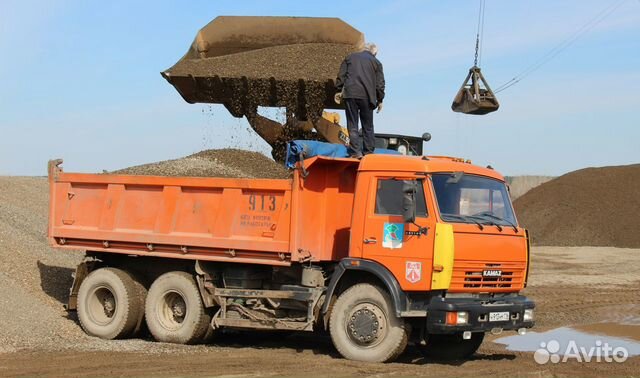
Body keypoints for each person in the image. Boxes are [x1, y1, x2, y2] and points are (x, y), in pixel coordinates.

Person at [335, 43, 385, 158]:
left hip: (350, 94)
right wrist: (380, 99)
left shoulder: (350, 57)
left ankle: (355, 152)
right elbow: (380, 84)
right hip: (367, 97)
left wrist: (338, 90)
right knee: (367, 125)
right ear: (374, 53)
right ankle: (368, 152)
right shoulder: (376, 62)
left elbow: (341, 75)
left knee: (352, 123)